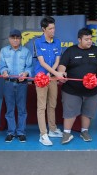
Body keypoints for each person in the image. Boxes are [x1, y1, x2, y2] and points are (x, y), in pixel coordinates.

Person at [58, 28, 97, 144]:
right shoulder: (70, 51)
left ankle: (84, 132)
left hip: (92, 90)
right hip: (71, 90)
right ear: (79, 39)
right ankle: (67, 133)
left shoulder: (96, 50)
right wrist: (62, 73)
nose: (89, 41)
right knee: (70, 112)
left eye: (90, 39)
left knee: (88, 112)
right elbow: (62, 66)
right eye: (86, 39)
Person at [34, 16, 65, 146]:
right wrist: (55, 73)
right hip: (41, 78)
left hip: (51, 76)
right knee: (42, 107)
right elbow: (41, 61)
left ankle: (52, 129)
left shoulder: (57, 42)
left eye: (54, 28)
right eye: (50, 28)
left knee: (52, 104)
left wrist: (52, 73)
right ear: (43, 29)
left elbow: (57, 60)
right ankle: (43, 134)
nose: (53, 30)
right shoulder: (37, 42)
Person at [0, 29, 32, 143]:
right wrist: (4, 72)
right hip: (8, 83)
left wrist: (26, 73)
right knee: (10, 109)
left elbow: (29, 67)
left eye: (18, 38)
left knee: (22, 109)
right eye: (13, 38)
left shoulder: (26, 51)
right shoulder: (4, 51)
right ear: (9, 39)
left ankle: (21, 132)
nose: (15, 40)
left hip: (22, 84)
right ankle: (11, 132)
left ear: (21, 39)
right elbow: (2, 65)